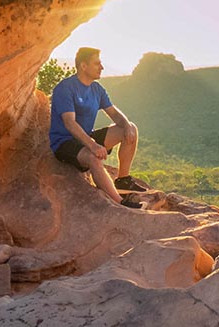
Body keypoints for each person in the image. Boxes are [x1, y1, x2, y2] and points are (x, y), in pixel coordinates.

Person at [49, 47, 150, 208]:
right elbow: (69, 123)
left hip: (86, 137)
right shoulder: (65, 88)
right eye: (97, 64)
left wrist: (127, 125)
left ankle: (123, 180)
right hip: (65, 142)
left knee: (129, 128)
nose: (101, 67)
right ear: (83, 66)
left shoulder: (96, 89)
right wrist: (93, 145)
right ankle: (120, 203)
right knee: (93, 158)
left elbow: (115, 114)